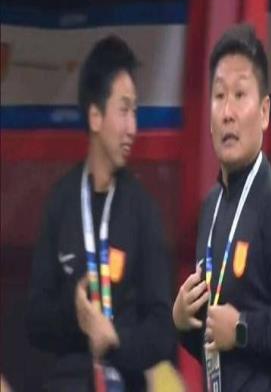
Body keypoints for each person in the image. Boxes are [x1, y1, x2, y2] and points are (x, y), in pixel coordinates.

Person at [173, 24, 271, 391]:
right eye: (219, 95)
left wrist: (242, 329)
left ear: (265, 112)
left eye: (240, 94)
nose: (227, 112)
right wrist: (183, 323)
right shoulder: (211, 207)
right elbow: (216, 343)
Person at [27, 35, 176, 391]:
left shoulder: (142, 209)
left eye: (135, 112)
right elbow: (35, 320)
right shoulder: (61, 201)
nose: (132, 128)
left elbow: (163, 331)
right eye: (123, 111)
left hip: (125, 379)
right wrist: (74, 312)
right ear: (95, 116)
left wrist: (116, 339)